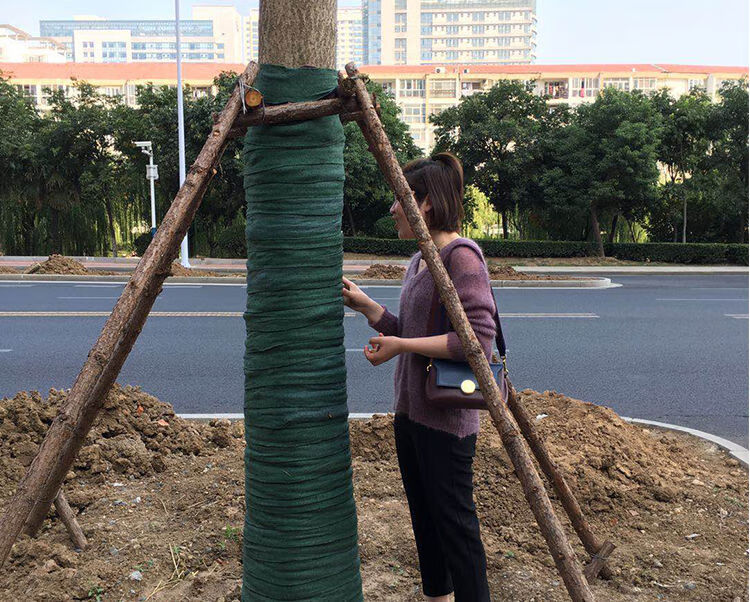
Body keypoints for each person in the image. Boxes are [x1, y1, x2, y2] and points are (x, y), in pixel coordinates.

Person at [342, 152, 494, 601]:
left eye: (399, 199)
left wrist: (402, 347)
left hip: (447, 422)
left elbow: (476, 343)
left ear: (424, 203)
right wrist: (371, 309)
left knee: (457, 532)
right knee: (426, 524)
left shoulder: (461, 257)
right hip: (411, 415)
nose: (392, 209)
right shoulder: (419, 261)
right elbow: (413, 332)